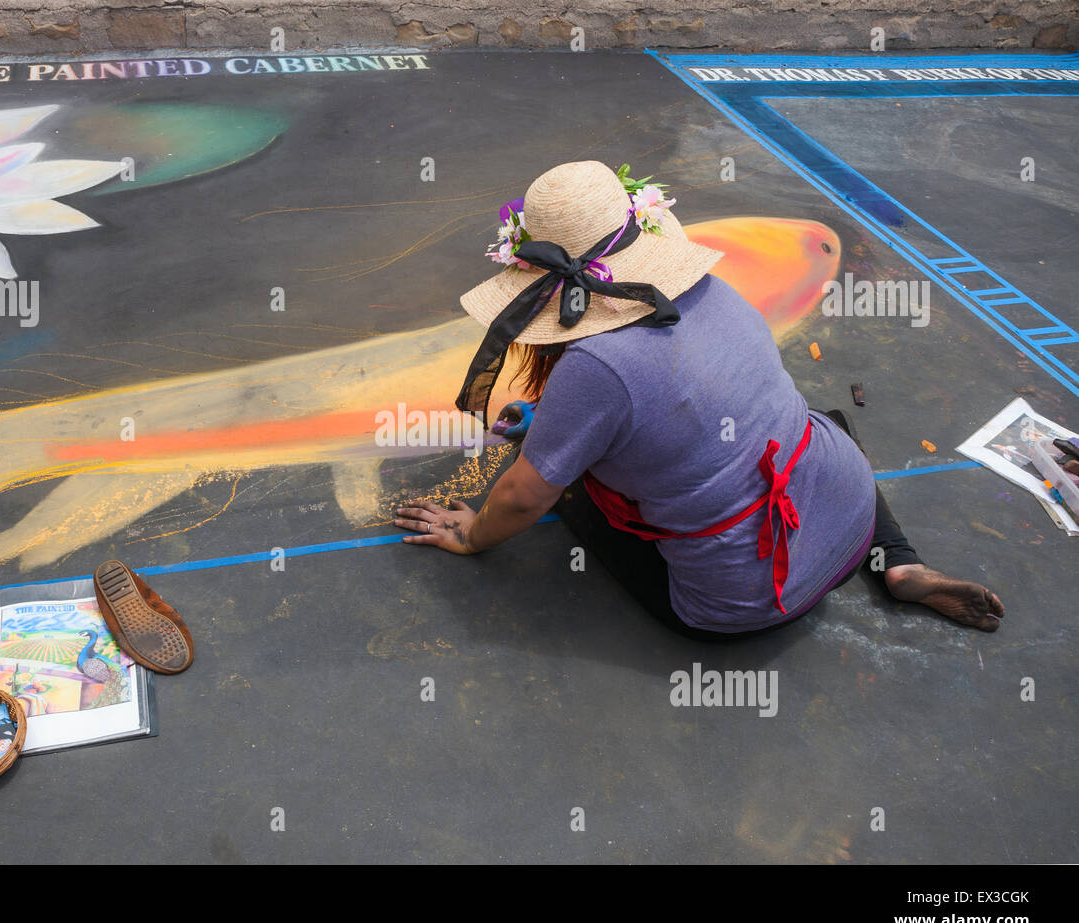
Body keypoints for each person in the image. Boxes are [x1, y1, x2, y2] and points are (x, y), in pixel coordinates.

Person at [395, 161, 1004, 636]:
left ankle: (809, 571)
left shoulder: (592, 365)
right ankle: (898, 562)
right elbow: (682, 400)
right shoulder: (717, 292)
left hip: (746, 599)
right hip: (846, 518)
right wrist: (557, 419)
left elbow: (525, 498)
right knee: (815, 421)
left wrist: (473, 535)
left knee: (570, 489)